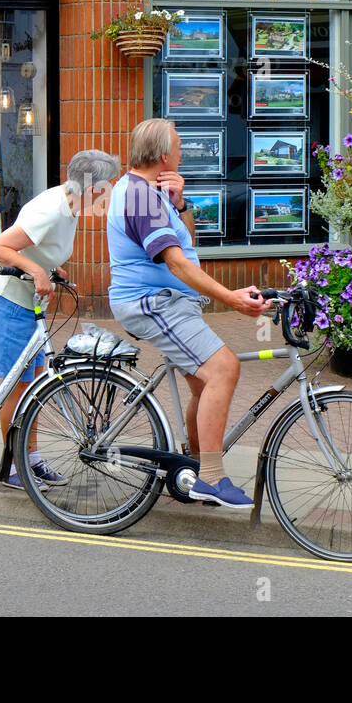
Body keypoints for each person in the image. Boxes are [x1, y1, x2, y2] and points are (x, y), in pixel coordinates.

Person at [106, 118, 268, 509]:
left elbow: (187, 243)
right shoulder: (139, 197)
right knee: (224, 368)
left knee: (204, 383)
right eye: (177, 148)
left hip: (169, 300)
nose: (181, 154)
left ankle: (196, 468)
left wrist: (181, 203)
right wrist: (230, 298)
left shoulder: (153, 193)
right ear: (163, 156)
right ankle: (211, 478)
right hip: (153, 301)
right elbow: (177, 264)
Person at [0, 149, 123, 489]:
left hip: (28, 304)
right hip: (7, 301)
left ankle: (30, 460)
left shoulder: (70, 206)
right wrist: (35, 270)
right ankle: (15, 468)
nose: (112, 190)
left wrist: (49, 268)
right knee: (16, 389)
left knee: (33, 386)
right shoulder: (51, 209)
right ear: (92, 187)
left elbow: (35, 247)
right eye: (109, 184)